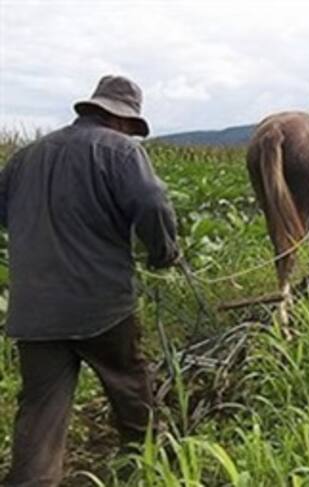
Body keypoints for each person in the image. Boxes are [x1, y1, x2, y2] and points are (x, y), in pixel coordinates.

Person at [0, 75, 179, 487]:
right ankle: (146, 466)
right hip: (101, 305)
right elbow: (152, 203)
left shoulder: (26, 156)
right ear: (121, 119)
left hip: (34, 311)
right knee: (130, 387)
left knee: (40, 412)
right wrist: (163, 251)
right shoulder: (120, 151)